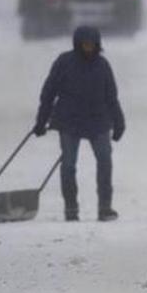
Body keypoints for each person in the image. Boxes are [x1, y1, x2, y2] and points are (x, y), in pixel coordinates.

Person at [34, 26, 125, 222]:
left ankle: (105, 207)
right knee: (68, 165)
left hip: (98, 121)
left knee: (105, 162)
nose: (88, 48)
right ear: (77, 44)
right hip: (69, 121)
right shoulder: (64, 62)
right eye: (84, 45)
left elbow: (111, 97)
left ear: (97, 45)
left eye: (92, 45)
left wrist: (119, 122)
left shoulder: (102, 66)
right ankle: (71, 208)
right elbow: (48, 93)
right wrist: (41, 120)